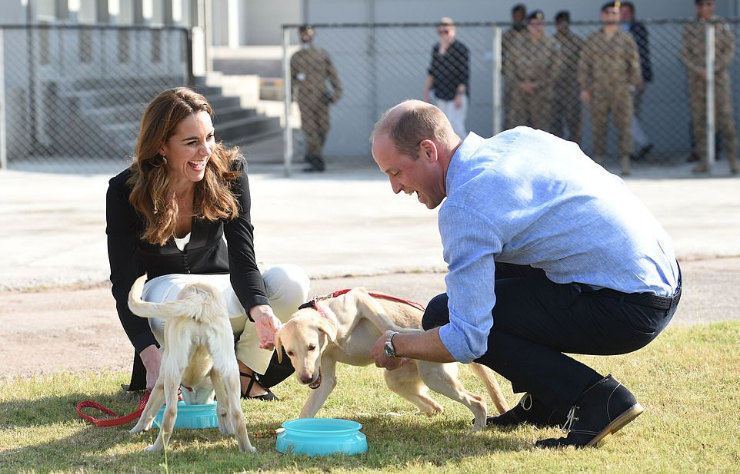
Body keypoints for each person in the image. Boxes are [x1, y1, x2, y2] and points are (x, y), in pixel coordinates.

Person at [369, 99, 681, 449]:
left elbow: (467, 338)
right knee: (484, 284)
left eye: (395, 172)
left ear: (428, 151)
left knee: (444, 314)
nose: (396, 188)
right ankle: (547, 400)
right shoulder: (519, 139)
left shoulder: (465, 205)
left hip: (628, 305)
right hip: (661, 275)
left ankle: (597, 402)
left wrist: (398, 343)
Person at [106, 87, 310, 401]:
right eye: (191, 142)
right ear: (161, 146)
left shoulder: (230, 172)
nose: (206, 151)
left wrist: (262, 310)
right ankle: (186, 377)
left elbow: (244, 259)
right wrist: (150, 358)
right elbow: (125, 284)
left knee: (290, 281)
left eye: (209, 137)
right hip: (166, 298)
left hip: (223, 290)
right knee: (185, 295)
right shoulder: (125, 190)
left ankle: (241, 374)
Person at [578, 1, 641, 175]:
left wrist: (633, 84)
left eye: (614, 13)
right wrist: (584, 88)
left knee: (624, 125)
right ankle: (599, 159)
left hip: (621, 89)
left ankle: (625, 160)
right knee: (599, 125)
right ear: (602, 15)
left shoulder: (626, 39)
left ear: (619, 16)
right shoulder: (593, 39)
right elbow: (584, 65)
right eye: (608, 12)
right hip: (598, 89)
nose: (611, 16)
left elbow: (634, 63)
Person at [680, 0, 739, 174]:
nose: (704, 8)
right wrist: (700, 70)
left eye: (708, 4)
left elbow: (729, 50)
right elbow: (684, 54)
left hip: (719, 80)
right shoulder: (690, 27)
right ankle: (704, 161)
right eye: (701, 5)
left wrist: (714, 69)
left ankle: (733, 161)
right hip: (697, 81)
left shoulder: (721, 26)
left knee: (725, 119)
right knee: (699, 121)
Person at [290, 25, 343, 172]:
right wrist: (289, 98)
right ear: (300, 35)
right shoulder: (296, 57)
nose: (306, 36)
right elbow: (291, 79)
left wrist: (337, 93)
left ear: (313, 34)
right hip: (305, 98)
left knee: (324, 128)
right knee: (310, 130)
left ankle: (312, 154)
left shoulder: (322, 54)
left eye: (309, 33)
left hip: (321, 98)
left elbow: (332, 75)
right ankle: (316, 160)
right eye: (303, 33)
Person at [507, 10, 561, 131]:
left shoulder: (551, 44)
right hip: (519, 94)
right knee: (518, 129)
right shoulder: (517, 43)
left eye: (540, 23)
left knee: (541, 130)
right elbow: (509, 67)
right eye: (534, 23)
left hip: (541, 95)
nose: (537, 27)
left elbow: (555, 70)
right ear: (528, 25)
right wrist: (520, 84)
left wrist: (536, 85)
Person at [423, 17, 470, 139]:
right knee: (443, 127)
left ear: (453, 31)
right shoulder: (436, 49)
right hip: (441, 93)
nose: (443, 35)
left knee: (456, 126)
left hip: (456, 94)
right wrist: (427, 90)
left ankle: (466, 153)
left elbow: (464, 74)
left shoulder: (460, 49)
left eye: (446, 32)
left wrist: (459, 94)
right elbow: (432, 71)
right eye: (440, 32)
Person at [621, 1, 654, 161]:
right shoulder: (616, 29)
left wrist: (641, 77)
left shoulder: (637, 29)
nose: (624, 15)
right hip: (619, 80)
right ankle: (635, 149)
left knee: (630, 114)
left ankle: (641, 143)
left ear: (632, 14)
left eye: (626, 12)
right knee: (630, 114)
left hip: (634, 79)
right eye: (622, 12)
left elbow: (642, 55)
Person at [551, 10, 584, 143]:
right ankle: (555, 151)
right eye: (560, 23)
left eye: (565, 23)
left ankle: (575, 151)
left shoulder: (577, 42)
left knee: (573, 121)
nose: (563, 26)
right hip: (554, 87)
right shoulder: (550, 42)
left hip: (572, 87)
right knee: (554, 121)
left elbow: (583, 63)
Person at [502, 4, 528, 129]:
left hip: (528, 82)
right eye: (515, 16)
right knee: (510, 116)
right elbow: (500, 56)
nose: (517, 19)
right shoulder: (507, 36)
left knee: (528, 117)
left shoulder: (529, 35)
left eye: (520, 16)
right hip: (511, 83)